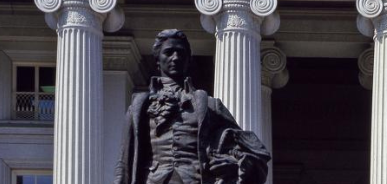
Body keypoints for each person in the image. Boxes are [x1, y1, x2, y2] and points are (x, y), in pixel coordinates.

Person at [115, 29, 271, 184]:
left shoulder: (209, 105)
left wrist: (233, 164)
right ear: (157, 59)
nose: (175, 58)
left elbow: (245, 146)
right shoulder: (140, 106)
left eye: (180, 53)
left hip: (194, 179)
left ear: (188, 60)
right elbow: (124, 161)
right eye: (168, 53)